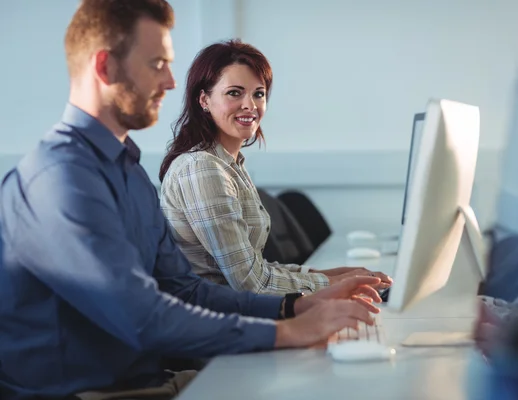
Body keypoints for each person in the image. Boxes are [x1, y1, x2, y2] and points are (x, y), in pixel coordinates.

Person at [0, 1, 383, 399]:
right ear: (105, 67)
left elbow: (185, 290)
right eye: (157, 64)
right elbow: (142, 317)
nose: (169, 81)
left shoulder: (127, 169)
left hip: (149, 376)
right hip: (98, 392)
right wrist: (284, 332)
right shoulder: (60, 179)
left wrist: (292, 308)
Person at [158, 40, 393, 294]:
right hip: (221, 321)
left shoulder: (227, 164)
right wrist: (332, 285)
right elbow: (250, 283)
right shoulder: (202, 168)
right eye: (234, 93)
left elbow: (255, 269)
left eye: (258, 93)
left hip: (237, 310)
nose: (250, 105)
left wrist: (332, 275)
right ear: (204, 100)